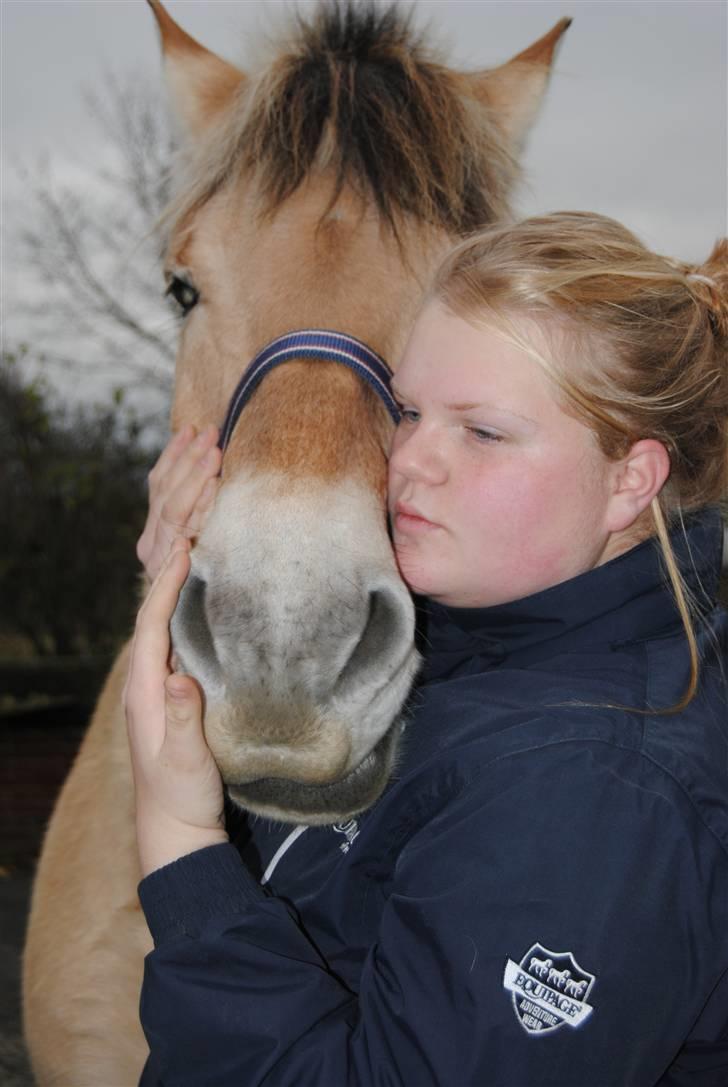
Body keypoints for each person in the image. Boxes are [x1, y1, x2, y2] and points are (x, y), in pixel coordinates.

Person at [124, 211, 728, 1086]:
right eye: (408, 411)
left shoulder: (599, 792)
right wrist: (189, 606)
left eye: (482, 432)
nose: (409, 462)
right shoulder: (482, 635)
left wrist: (181, 840)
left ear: (630, 480)